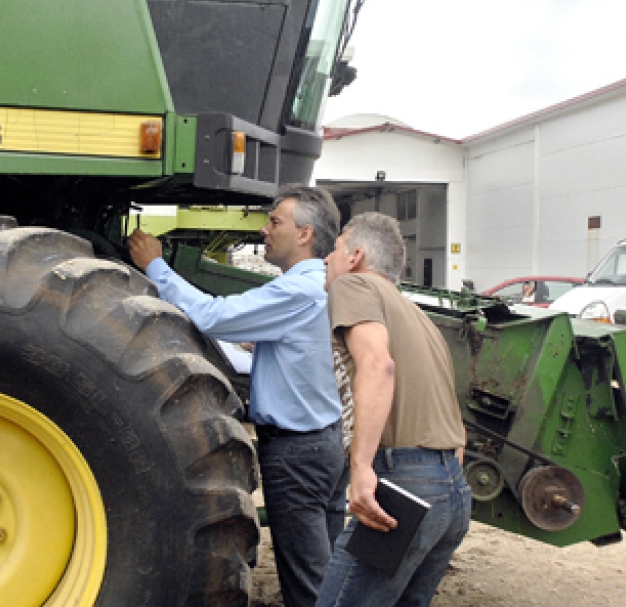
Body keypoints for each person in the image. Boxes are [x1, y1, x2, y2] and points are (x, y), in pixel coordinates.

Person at [128, 184, 347, 607]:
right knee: (329, 572)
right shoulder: (320, 284)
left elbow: (213, 316)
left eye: (275, 221)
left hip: (297, 454)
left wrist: (156, 267)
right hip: (323, 444)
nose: (264, 230)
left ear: (304, 234)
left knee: (308, 584)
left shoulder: (296, 291)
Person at [317, 212, 471, 607]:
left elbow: (377, 365)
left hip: (403, 485)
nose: (326, 261)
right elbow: (456, 423)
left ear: (355, 256)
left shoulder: (353, 285)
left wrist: (362, 467)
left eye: (333, 250)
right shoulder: (419, 317)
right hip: (451, 493)